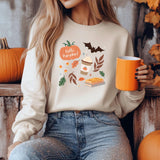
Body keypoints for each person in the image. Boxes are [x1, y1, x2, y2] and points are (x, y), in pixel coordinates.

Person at [8, 0, 154, 159]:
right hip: (58, 133)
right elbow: (33, 96)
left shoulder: (118, 36)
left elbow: (121, 106)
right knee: (22, 154)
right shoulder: (45, 29)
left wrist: (137, 87)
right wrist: (19, 139)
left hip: (105, 133)